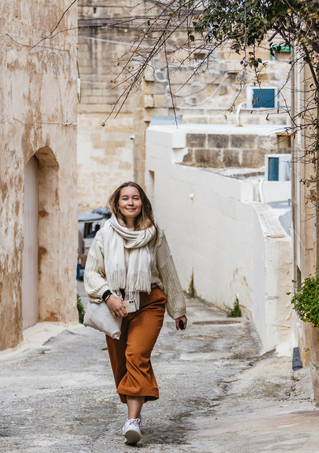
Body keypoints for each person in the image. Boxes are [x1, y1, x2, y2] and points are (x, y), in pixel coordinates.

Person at [84, 181, 188, 445]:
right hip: (116, 306)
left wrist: (178, 310)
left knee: (136, 354)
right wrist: (108, 296)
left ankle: (132, 420)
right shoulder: (105, 234)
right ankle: (136, 406)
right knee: (121, 365)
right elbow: (93, 272)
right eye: (125, 198)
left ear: (143, 203)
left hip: (149, 303)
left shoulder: (154, 234)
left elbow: (168, 270)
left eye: (136, 198)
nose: (130, 202)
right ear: (117, 203)